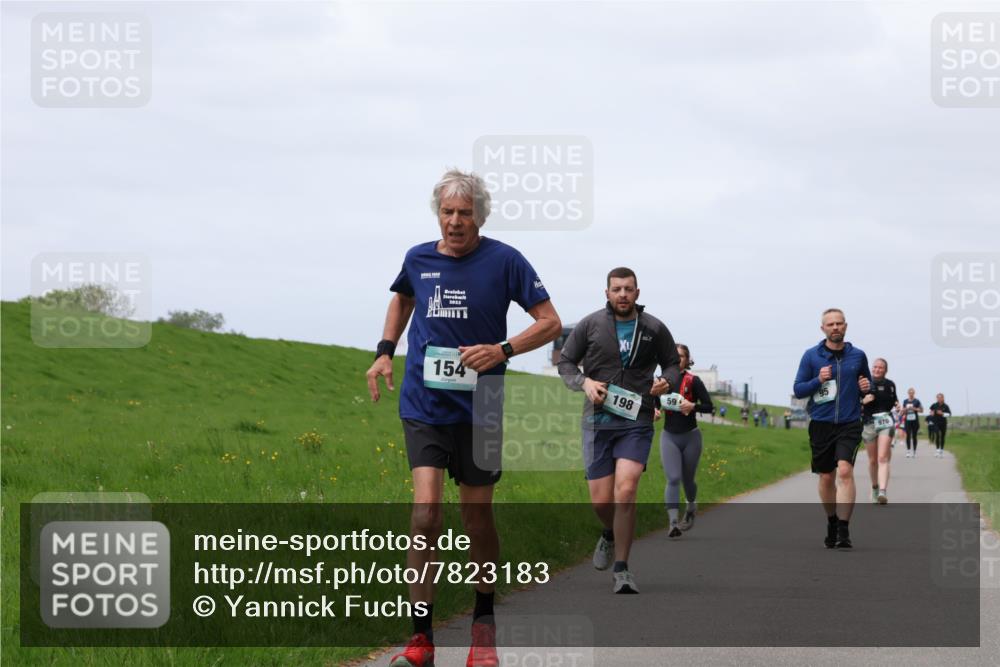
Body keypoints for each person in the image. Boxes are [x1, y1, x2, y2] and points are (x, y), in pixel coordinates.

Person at [366, 169, 562, 667]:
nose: (455, 222)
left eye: (465, 213)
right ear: (439, 214)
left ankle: (483, 628)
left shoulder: (505, 260)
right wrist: (385, 351)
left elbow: (550, 322)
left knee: (477, 519)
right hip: (425, 406)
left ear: (480, 215)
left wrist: (502, 349)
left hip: (483, 407)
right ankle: (421, 638)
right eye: (448, 212)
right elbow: (403, 298)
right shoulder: (419, 258)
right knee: (425, 514)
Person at [558, 267, 680, 594]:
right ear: (607, 293)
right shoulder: (591, 325)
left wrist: (666, 381)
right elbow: (566, 362)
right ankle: (609, 533)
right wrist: (584, 383)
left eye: (628, 289)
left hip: (636, 420)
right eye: (617, 289)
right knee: (601, 502)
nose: (622, 294)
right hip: (597, 421)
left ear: (637, 293)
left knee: (625, 491)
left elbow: (672, 363)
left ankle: (623, 569)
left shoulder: (654, 327)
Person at [793, 308, 872, 549]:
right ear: (823, 329)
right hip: (821, 424)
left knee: (845, 471)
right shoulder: (811, 356)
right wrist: (818, 379)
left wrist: (865, 386)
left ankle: (844, 530)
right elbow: (798, 389)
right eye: (831, 324)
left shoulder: (858, 356)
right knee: (827, 477)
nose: (835, 327)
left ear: (846, 326)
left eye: (839, 324)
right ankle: (831, 521)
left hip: (849, 423)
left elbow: (865, 387)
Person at [660, 344, 713, 537]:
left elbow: (709, 406)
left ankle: (691, 506)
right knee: (673, 478)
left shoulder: (693, 381)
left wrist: (693, 406)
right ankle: (673, 522)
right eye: (674, 356)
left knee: (687, 480)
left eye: (681, 356)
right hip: (669, 437)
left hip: (691, 436)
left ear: (687, 359)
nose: (677, 359)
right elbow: (653, 402)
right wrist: (655, 411)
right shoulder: (662, 382)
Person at [860, 358, 899, 504]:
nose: (877, 369)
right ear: (872, 368)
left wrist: (898, 406)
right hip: (869, 423)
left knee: (882, 457)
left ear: (885, 370)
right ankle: (875, 487)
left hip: (885, 422)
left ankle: (883, 492)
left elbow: (894, 400)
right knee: (872, 461)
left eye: (880, 367)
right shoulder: (864, 384)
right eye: (875, 367)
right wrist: (863, 401)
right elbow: (854, 403)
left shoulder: (890, 385)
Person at [901, 388, 923, 458]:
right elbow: (903, 411)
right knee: (908, 435)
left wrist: (914, 409)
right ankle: (908, 451)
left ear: (914, 393)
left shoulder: (917, 401)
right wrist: (905, 409)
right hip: (907, 420)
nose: (911, 394)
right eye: (910, 393)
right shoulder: (905, 401)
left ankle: (914, 451)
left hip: (915, 420)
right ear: (908, 393)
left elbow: (921, 410)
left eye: (912, 393)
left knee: (914, 436)